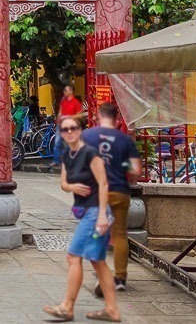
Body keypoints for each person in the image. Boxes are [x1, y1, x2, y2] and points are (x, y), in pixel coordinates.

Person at [43, 115, 121, 323]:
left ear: (80, 130)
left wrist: (103, 215)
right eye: (65, 129)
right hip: (86, 212)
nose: (69, 132)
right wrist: (72, 187)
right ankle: (112, 309)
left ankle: (67, 307)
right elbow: (64, 183)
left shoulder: (90, 153)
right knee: (97, 261)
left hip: (96, 213)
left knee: (73, 256)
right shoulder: (68, 155)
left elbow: (103, 184)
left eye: (73, 128)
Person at [83, 104, 141, 296]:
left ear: (99, 116)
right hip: (120, 192)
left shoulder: (88, 136)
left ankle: (101, 274)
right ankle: (121, 278)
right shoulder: (125, 140)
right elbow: (135, 172)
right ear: (116, 119)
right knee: (120, 235)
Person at [52, 85, 84, 168]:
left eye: (66, 90)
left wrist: (68, 117)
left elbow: (79, 115)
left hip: (70, 125)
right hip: (61, 124)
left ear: (71, 91)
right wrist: (59, 116)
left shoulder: (76, 102)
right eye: (64, 90)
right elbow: (61, 110)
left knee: (69, 143)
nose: (65, 92)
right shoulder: (64, 100)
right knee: (57, 142)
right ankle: (56, 161)